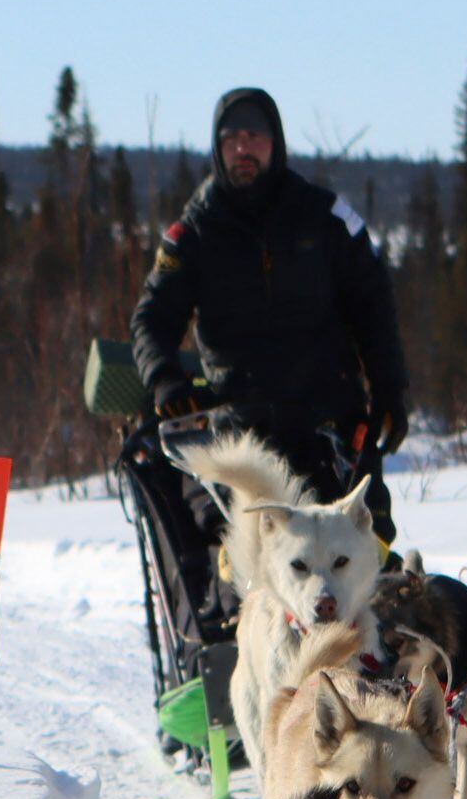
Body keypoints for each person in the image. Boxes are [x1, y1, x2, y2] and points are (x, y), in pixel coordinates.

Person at [130, 86, 409, 540]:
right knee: (237, 559)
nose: (243, 148)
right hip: (239, 428)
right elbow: (151, 317)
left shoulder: (324, 217)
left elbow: (374, 304)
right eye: (232, 138)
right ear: (218, 148)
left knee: (365, 547)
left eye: (255, 137)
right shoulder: (196, 229)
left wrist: (390, 388)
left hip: (329, 421)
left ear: (275, 143)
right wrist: (164, 378)